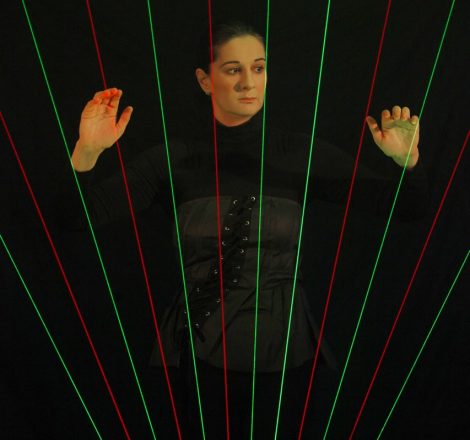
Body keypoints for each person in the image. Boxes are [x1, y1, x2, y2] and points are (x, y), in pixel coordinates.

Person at [70, 21, 426, 439]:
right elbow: (74, 218)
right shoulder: (174, 158)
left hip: (286, 358)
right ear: (205, 80)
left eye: (258, 68)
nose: (248, 82)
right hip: (195, 360)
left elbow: (409, 210)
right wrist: (86, 152)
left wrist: (407, 162)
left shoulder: (298, 154)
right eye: (232, 69)